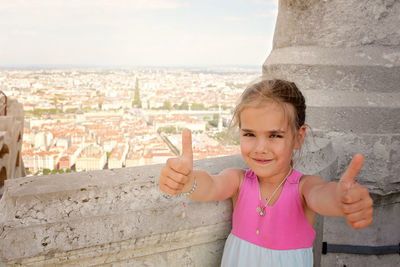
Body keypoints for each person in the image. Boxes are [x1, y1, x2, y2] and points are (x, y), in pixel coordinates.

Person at [158, 79, 373, 266]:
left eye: (275, 136)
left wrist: (342, 200)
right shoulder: (238, 179)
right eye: (250, 134)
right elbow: (211, 186)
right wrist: (188, 182)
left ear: (299, 137)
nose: (260, 148)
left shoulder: (304, 187)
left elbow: (323, 195)